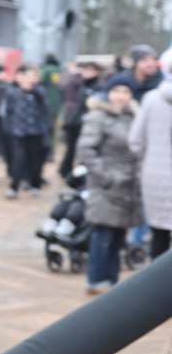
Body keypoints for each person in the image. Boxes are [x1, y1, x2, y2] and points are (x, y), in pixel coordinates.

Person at [79, 81, 142, 294]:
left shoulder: (134, 116)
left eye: (126, 91)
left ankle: (112, 281)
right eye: (116, 91)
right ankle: (96, 279)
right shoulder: (98, 116)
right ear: (108, 93)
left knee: (118, 236)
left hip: (128, 186)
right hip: (106, 184)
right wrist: (107, 177)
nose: (121, 96)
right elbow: (86, 150)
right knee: (102, 234)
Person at [128, 72, 172, 260]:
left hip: (156, 177)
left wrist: (150, 161)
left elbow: (135, 142)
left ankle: (159, 287)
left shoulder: (152, 98)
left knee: (159, 237)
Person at [0, 65, 51, 199]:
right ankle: (14, 186)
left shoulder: (40, 91)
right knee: (18, 159)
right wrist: (9, 129)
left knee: (35, 161)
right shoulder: (13, 92)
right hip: (19, 133)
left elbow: (45, 109)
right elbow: (7, 112)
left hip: (36, 132)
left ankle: (35, 185)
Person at [58, 59, 103, 179]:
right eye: (86, 70)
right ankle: (66, 170)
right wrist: (72, 73)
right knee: (71, 148)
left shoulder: (97, 86)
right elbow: (63, 86)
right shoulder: (81, 83)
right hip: (75, 120)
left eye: (90, 70)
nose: (86, 73)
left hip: (88, 123)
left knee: (84, 150)